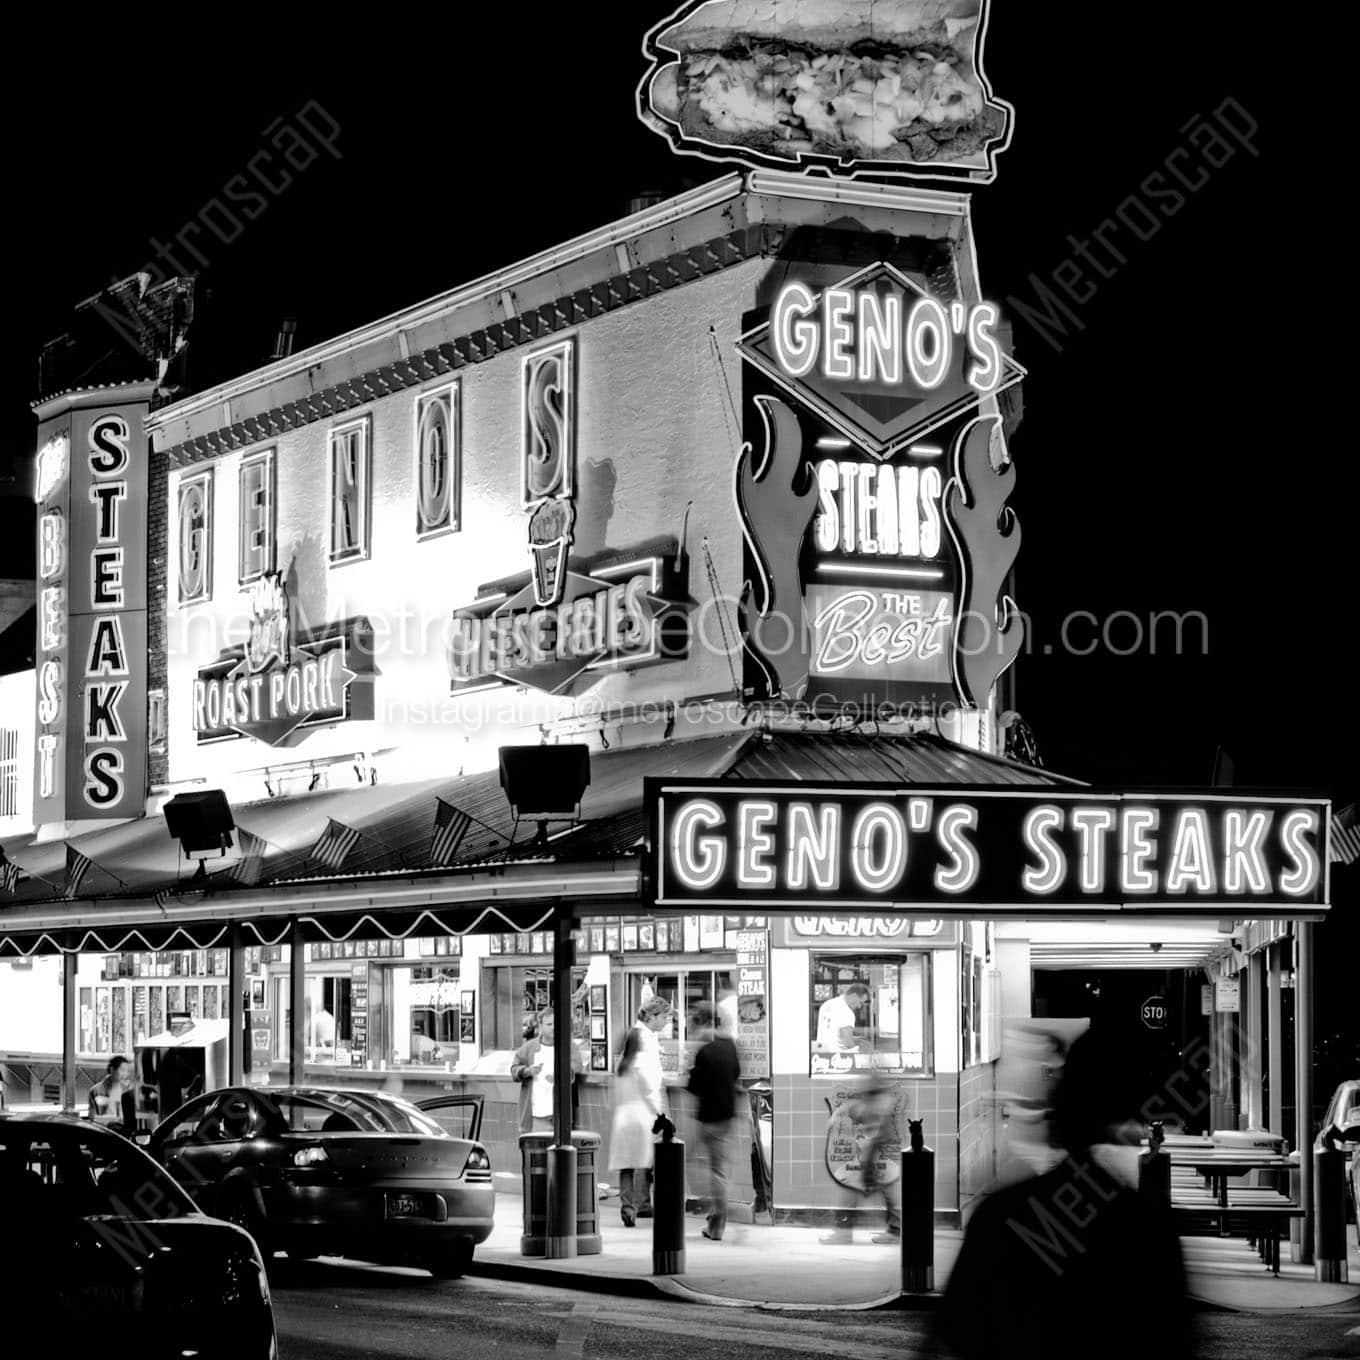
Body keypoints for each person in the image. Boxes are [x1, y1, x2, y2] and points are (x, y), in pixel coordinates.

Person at [936, 1028, 1191, 1360]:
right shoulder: (1150, 1230)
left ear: (1060, 1104)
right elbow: (1172, 1339)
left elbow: (960, 1334)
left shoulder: (1000, 1216)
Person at [608, 996, 671, 1226]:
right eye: (664, 1016)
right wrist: (661, 1115)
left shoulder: (623, 1064)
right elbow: (648, 1086)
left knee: (626, 1163)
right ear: (652, 1016)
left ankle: (629, 1207)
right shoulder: (645, 1043)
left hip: (623, 1115)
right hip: (643, 1113)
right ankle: (644, 1203)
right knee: (647, 1159)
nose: (666, 1021)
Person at [686, 1001, 741, 1241]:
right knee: (715, 1168)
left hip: (709, 1118)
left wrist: (692, 1071)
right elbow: (736, 1074)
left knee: (713, 1171)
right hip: (727, 1116)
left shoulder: (703, 1052)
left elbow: (694, 1087)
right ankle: (713, 1216)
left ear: (701, 1024)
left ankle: (717, 1224)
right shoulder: (730, 1046)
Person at [510, 1009, 583, 1134]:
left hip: (560, 1115)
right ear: (540, 1026)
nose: (553, 1028)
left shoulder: (569, 1046)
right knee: (536, 1152)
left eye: (556, 1024)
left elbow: (577, 1065)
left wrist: (561, 1074)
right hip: (535, 1116)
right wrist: (527, 1071)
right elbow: (514, 1069)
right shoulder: (529, 1047)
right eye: (549, 1024)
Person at [815, 982, 869, 1052]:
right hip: (839, 1057)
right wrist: (862, 1053)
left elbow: (832, 1033)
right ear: (854, 996)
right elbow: (847, 1042)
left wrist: (854, 1039)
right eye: (860, 1002)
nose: (859, 1006)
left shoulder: (827, 1004)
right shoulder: (846, 1012)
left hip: (821, 1053)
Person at [88, 1055, 135, 1129]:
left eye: (127, 1071)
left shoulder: (130, 1089)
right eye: (122, 1070)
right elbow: (92, 1117)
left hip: (125, 1132)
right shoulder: (96, 1090)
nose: (125, 1074)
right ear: (112, 1069)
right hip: (105, 1131)